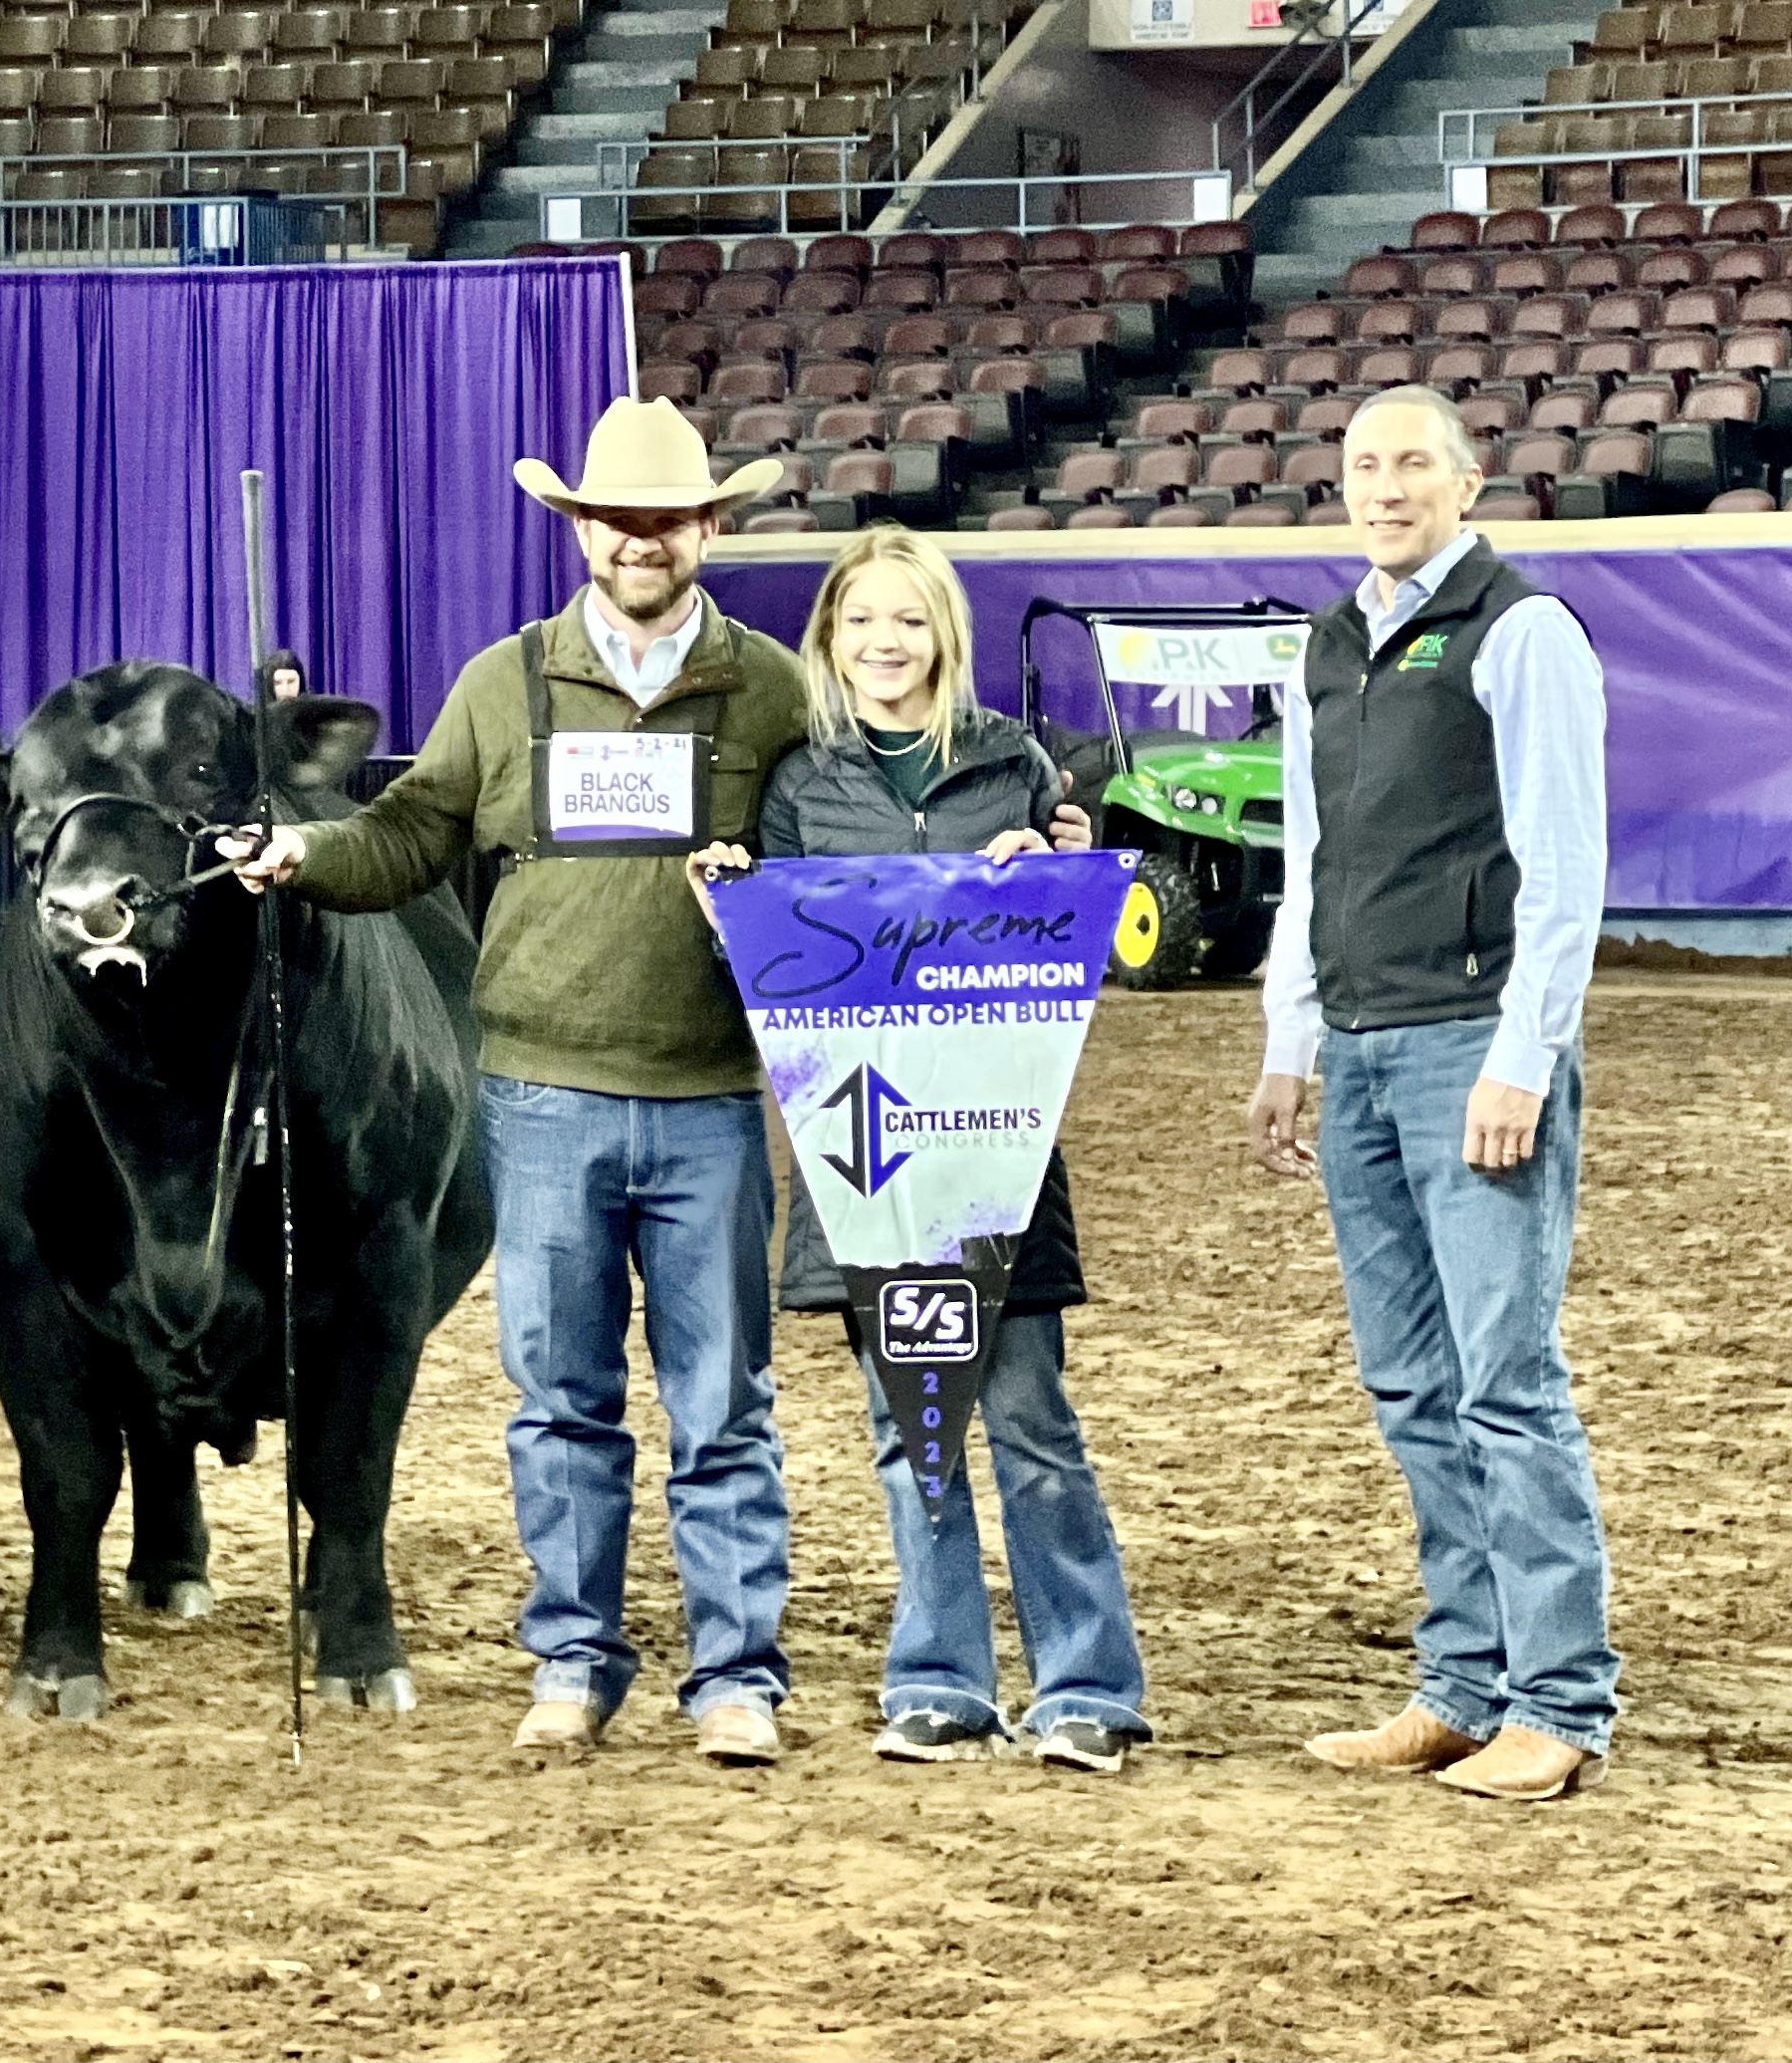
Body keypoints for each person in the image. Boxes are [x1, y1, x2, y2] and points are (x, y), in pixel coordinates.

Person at [231, 397, 812, 1765]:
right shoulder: (505, 681)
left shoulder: (776, 690)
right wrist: (305, 854)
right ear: (581, 530)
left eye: (666, 519)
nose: (640, 541)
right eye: (617, 519)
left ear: (708, 529)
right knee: (560, 1399)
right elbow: (413, 835)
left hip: (711, 1097)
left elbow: (835, 850)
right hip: (540, 1096)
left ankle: (735, 1674)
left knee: (723, 1402)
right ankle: (573, 1655)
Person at [685, 526, 1150, 1775]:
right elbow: (774, 968)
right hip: (867, 1155)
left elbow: (1094, 945)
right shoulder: (800, 784)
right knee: (913, 1427)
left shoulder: (1015, 764)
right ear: (828, 640)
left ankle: (1087, 1684)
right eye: (859, 622)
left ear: (944, 630)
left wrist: (1055, 874)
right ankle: (937, 1679)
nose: (884, 643)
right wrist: (730, 896)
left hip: (998, 1144)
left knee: (1030, 1417)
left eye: (908, 619)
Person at [1248, 386, 1617, 1803]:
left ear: (1469, 483)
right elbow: (1311, 853)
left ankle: (1560, 1695)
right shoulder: (1327, 645)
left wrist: (1524, 1051)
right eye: (1361, 464)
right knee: (1413, 1382)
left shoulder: (1521, 632)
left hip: (1471, 1049)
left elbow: (1563, 859)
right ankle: (1463, 1684)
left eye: (1412, 461)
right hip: (1357, 1048)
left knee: (1505, 1379)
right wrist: (1290, 1037)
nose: (1384, 484)